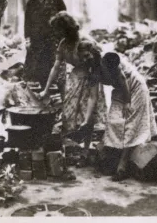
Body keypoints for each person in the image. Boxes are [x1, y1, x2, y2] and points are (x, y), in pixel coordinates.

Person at [39, 11, 107, 171]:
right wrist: (46, 90)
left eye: (58, 30)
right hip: (75, 78)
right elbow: (56, 67)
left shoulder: (85, 41)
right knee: (68, 115)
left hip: (91, 78)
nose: (56, 34)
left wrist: (94, 81)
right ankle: (65, 151)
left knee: (87, 117)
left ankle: (84, 152)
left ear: (67, 29)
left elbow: (99, 62)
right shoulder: (63, 44)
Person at [93, 52, 157, 181]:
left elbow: (122, 81)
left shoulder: (116, 68)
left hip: (135, 88)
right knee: (113, 120)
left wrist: (128, 103)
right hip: (120, 89)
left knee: (130, 123)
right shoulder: (97, 63)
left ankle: (122, 166)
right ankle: (110, 157)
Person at [23, 0, 67, 88]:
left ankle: (57, 90)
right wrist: (27, 39)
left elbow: (64, 15)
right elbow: (27, 21)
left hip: (53, 37)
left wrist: (64, 32)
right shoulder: (31, 2)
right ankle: (44, 91)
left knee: (55, 63)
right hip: (37, 38)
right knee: (40, 66)